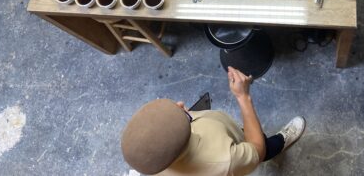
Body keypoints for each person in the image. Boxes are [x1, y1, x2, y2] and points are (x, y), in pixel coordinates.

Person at [121, 67, 306, 175]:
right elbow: (256, 150)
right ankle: (282, 140)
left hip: (221, 131)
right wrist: (243, 97)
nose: (181, 104)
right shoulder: (226, 160)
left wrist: (180, 120)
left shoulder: (155, 162)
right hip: (243, 146)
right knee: (264, 146)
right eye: (183, 114)